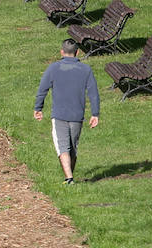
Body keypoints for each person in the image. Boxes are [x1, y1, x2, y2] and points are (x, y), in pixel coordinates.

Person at [33, 39, 101, 185]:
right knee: (73, 147)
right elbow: (93, 93)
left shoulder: (53, 68)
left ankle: (69, 178)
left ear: (62, 52)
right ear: (78, 52)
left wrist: (38, 108)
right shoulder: (85, 70)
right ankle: (70, 176)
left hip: (59, 115)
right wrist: (95, 114)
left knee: (63, 146)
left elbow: (42, 89)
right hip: (77, 115)